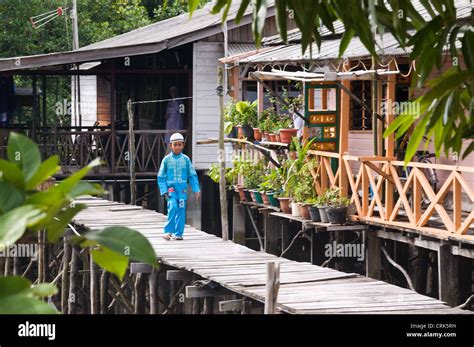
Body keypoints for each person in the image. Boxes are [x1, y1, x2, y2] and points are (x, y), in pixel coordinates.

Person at [157, 132, 200, 240]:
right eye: (175, 145)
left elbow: (192, 175)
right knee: (173, 207)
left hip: (182, 190)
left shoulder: (186, 159)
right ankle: (168, 231)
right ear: (170, 145)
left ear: (183, 145)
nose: (177, 147)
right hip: (171, 189)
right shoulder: (166, 160)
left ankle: (178, 233)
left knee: (181, 209)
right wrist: (163, 190)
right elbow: (161, 176)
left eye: (179, 144)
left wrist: (196, 189)